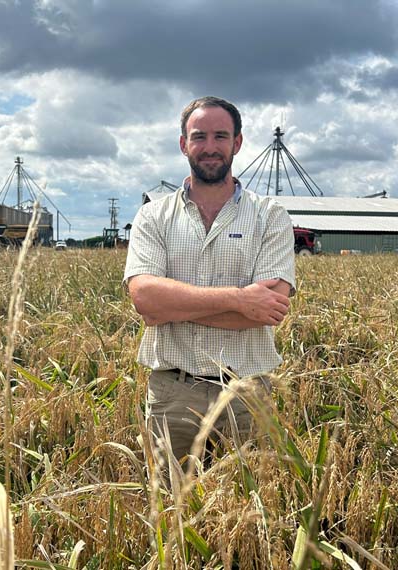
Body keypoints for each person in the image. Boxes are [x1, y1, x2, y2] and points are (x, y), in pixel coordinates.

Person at [124, 96, 296, 462]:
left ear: (237, 143)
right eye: (199, 136)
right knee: (173, 506)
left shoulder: (270, 216)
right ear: (183, 143)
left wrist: (173, 306)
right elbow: (145, 300)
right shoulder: (153, 217)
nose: (210, 147)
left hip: (247, 394)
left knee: (248, 508)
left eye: (221, 136)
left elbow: (267, 310)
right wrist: (239, 299)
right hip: (173, 393)